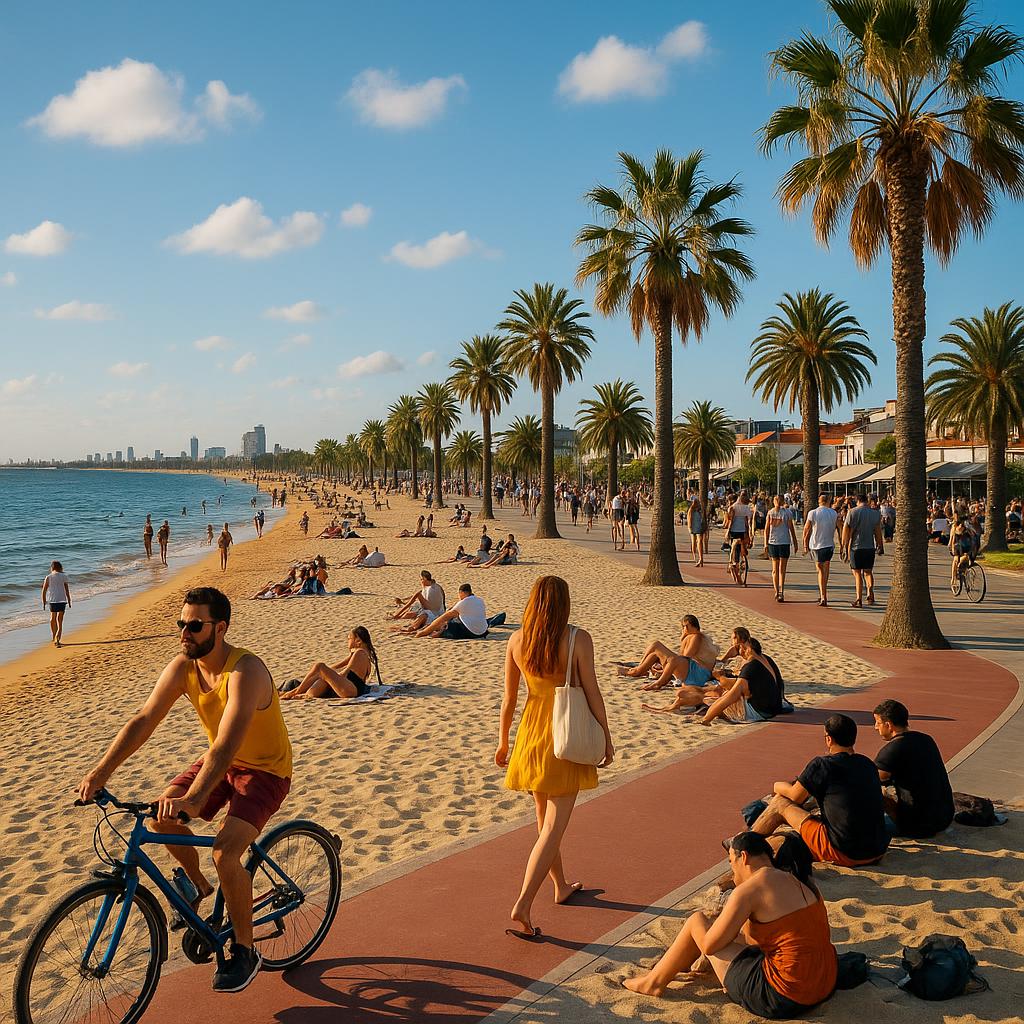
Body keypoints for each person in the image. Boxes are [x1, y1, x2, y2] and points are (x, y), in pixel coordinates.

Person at [76, 587, 291, 993]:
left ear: (220, 627)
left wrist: (192, 800)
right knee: (159, 820)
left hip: (265, 771)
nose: (184, 633)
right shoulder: (183, 667)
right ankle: (198, 884)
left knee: (226, 852)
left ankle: (245, 950)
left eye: (194, 625)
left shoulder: (247, 672)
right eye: (181, 624)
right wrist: (101, 771)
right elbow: (144, 719)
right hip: (218, 762)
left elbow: (227, 744)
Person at [497, 575, 614, 939]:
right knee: (552, 827)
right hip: (563, 734)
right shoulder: (578, 638)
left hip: (530, 733)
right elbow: (592, 691)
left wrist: (503, 743)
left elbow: (509, 701)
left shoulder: (517, 640)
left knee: (543, 821)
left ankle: (560, 885)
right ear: (564, 603)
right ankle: (523, 903)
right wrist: (606, 736)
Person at [623, 831, 837, 1017]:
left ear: (743, 857)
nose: (732, 869)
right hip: (823, 983)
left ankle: (653, 983)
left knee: (696, 921)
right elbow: (757, 940)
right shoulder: (797, 880)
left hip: (783, 996)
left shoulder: (749, 890)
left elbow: (709, 945)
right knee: (724, 934)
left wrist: (706, 941)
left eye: (730, 861)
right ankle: (673, 968)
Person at [746, 714, 889, 868]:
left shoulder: (822, 764)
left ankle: (745, 846)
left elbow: (795, 796)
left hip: (845, 852)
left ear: (829, 739)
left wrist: (777, 785)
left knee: (780, 803)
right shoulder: (867, 764)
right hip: (877, 849)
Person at [873, 699, 954, 838]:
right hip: (945, 817)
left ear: (888, 725)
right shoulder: (926, 739)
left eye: (878, 723)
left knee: (875, 792)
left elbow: (870, 779)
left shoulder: (892, 749)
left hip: (917, 825)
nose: (875, 727)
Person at [619, 615, 719, 694]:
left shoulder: (696, 637)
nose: (684, 629)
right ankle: (638, 670)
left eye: (685, 626)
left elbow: (686, 656)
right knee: (654, 655)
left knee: (658, 646)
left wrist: (682, 638)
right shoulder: (693, 636)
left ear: (690, 626)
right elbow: (685, 657)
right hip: (692, 670)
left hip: (698, 674)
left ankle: (656, 681)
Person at [280, 627, 381, 699]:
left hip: (351, 688)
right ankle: (298, 693)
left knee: (319, 666)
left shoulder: (360, 652)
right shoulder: (361, 654)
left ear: (358, 641)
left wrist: (329, 675)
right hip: (354, 688)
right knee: (321, 674)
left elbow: (346, 672)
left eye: (349, 638)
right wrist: (325, 675)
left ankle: (294, 692)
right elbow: (335, 667)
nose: (347, 641)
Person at [699, 636, 783, 724]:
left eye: (741, 648)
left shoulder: (750, 667)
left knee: (720, 696)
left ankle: (709, 716)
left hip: (760, 712)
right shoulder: (765, 660)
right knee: (728, 692)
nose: (740, 650)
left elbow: (731, 696)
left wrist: (707, 719)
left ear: (749, 650)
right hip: (774, 708)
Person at [842, 491, 883, 608]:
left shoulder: (852, 512)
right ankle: (870, 594)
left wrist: (844, 546)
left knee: (857, 573)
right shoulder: (875, 514)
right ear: (867, 501)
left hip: (856, 547)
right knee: (868, 572)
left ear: (857, 501)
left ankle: (859, 598)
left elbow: (846, 530)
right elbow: (878, 531)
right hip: (870, 547)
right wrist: (880, 545)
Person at [416, 583, 489, 639]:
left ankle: (439, 632)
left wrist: (424, 632)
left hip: (471, 632)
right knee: (454, 618)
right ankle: (437, 630)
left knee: (449, 623)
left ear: (461, 593)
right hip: (483, 632)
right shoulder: (480, 600)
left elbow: (444, 617)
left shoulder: (464, 602)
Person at [802, 492, 838, 607]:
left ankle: (823, 596)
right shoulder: (833, 513)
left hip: (816, 545)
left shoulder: (813, 513)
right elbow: (840, 527)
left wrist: (805, 544)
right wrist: (842, 544)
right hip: (829, 545)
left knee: (820, 570)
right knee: (825, 568)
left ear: (819, 501)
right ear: (828, 501)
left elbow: (806, 529)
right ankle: (823, 592)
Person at [763, 494, 798, 602]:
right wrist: (765, 544)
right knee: (777, 569)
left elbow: (791, 528)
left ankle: (780, 591)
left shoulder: (785, 513)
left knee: (779, 569)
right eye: (776, 500)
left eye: (778, 500)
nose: (777, 502)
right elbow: (767, 529)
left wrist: (795, 542)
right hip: (776, 543)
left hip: (782, 542)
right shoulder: (772, 513)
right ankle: (777, 591)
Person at [42, 560, 71, 647]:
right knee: (60, 620)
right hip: (62, 600)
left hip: (53, 601)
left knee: (52, 618)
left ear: (52, 567)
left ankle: (54, 635)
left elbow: (44, 590)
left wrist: (44, 601)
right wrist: (69, 600)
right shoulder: (64, 576)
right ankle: (57, 638)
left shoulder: (48, 577)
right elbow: (67, 590)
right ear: (60, 567)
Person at [687, 498, 706, 567]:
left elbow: (702, 519)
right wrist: (690, 527)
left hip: (699, 528)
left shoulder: (699, 511)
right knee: (694, 543)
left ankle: (701, 559)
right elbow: (689, 518)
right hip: (693, 527)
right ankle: (695, 557)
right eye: (698, 503)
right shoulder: (691, 510)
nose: (699, 505)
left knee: (700, 541)